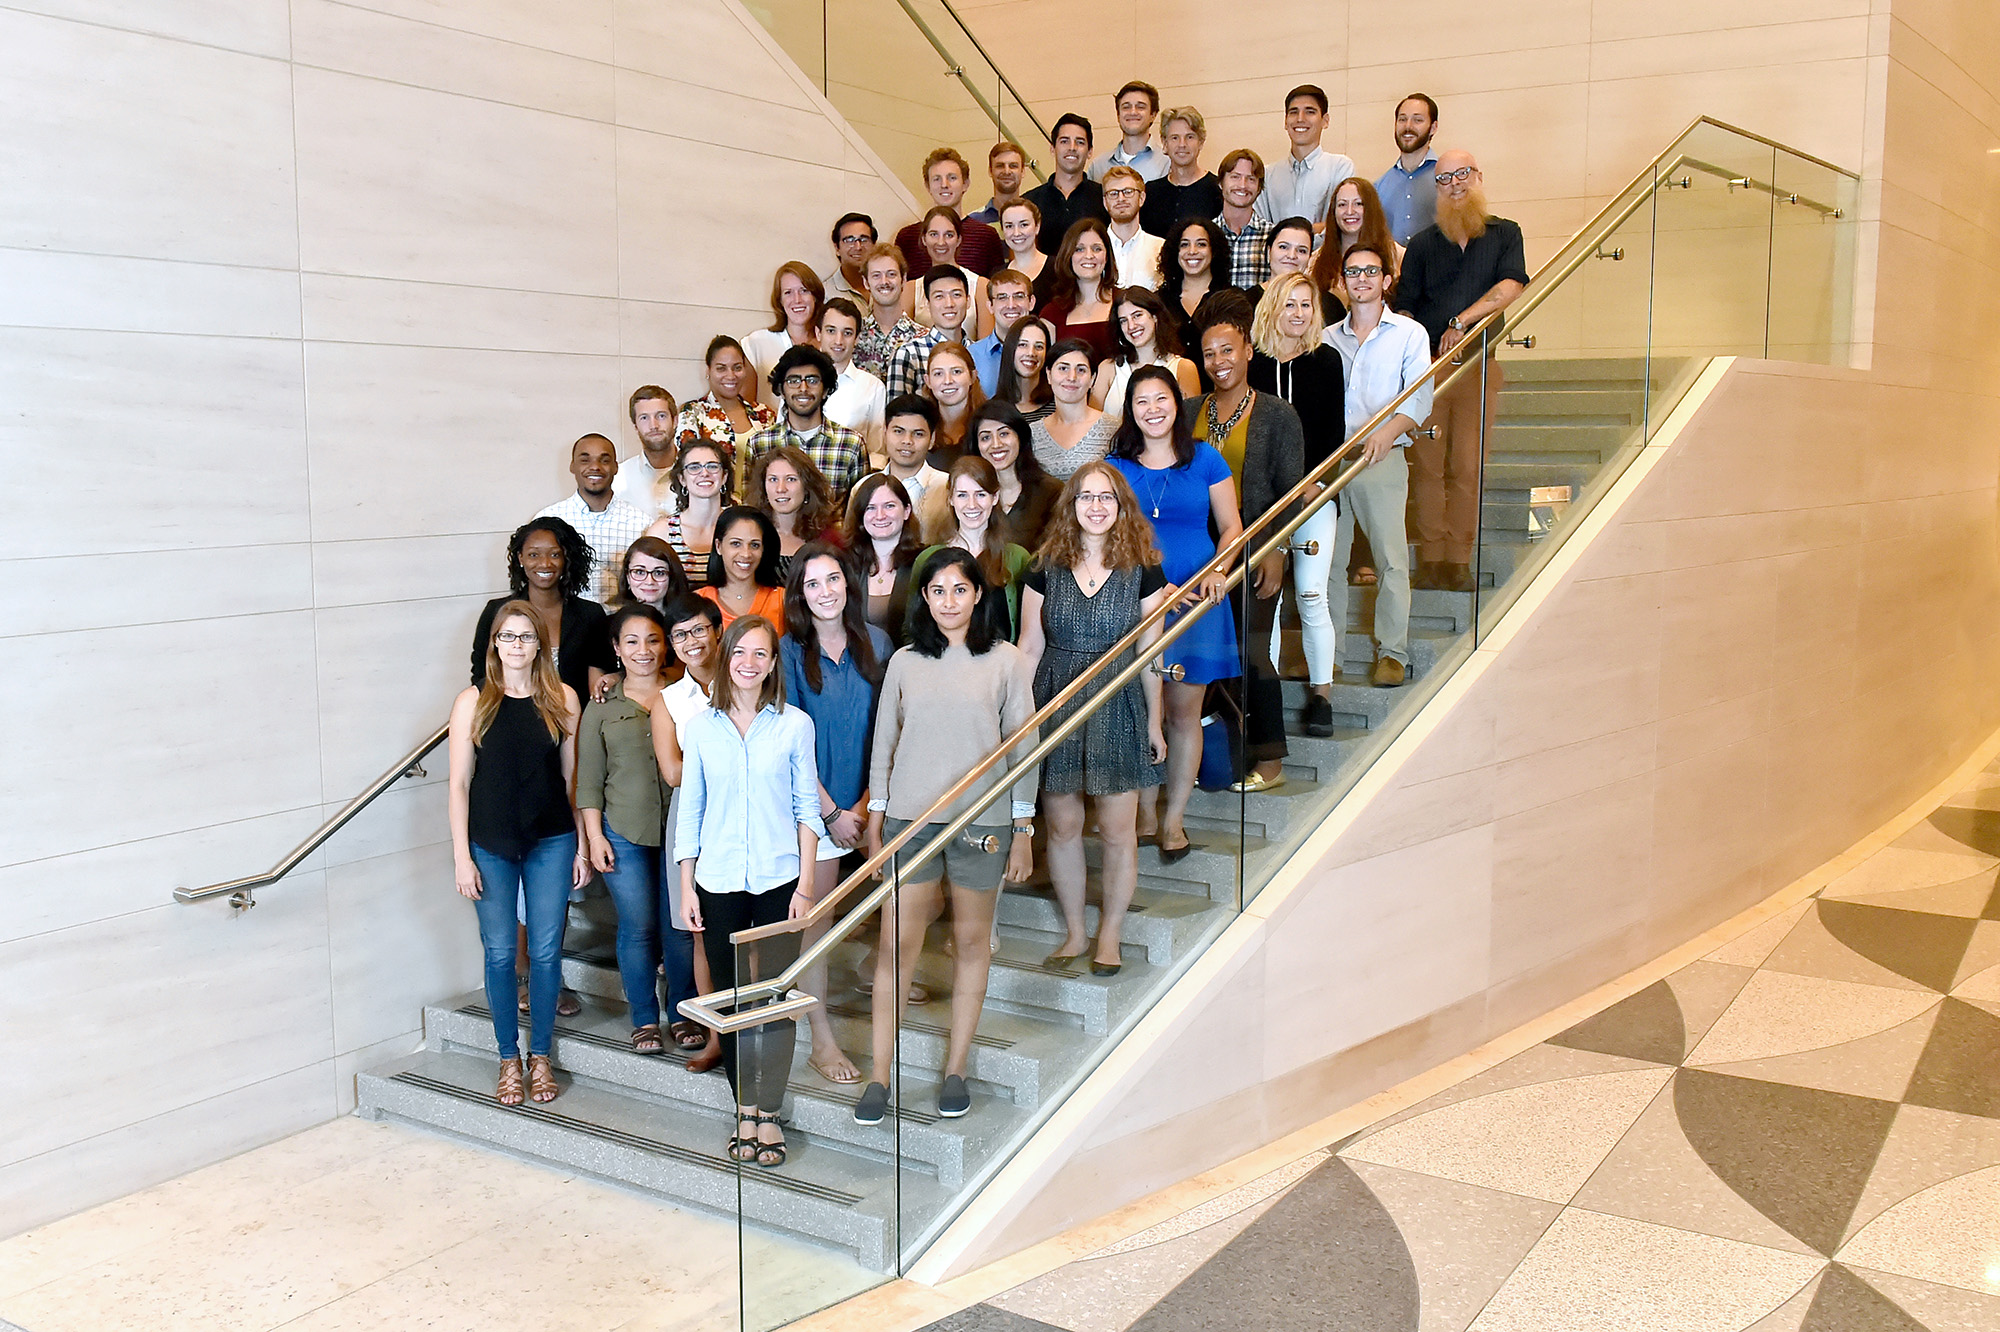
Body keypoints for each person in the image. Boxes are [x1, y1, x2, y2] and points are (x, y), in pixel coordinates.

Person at [853, 549, 1038, 1125]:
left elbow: (1022, 748)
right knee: (895, 947)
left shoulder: (1006, 662)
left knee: (971, 942)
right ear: (923, 600)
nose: (949, 601)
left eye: (960, 590)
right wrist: (878, 815)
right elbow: (884, 742)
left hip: (982, 822)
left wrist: (1023, 825)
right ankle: (880, 1075)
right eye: (937, 591)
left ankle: (955, 1068)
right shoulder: (906, 662)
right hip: (912, 819)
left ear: (978, 595)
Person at [675, 615, 824, 1168]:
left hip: (779, 878)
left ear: (772, 664)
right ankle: (744, 1109)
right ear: (725, 657)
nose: (749, 663)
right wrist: (686, 886)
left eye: (761, 654)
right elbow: (690, 811)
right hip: (715, 881)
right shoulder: (701, 728)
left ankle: (770, 1113)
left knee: (776, 1001)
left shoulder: (794, 725)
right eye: (741, 652)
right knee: (733, 1002)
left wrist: (807, 883)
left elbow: (806, 807)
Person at [1018, 463, 1171, 974]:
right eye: (1086, 497)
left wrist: (1154, 722)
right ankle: (1075, 933)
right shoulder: (1044, 565)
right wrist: (1019, 720)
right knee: (1061, 826)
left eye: (1107, 498)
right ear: (1072, 506)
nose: (1097, 506)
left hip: (1119, 698)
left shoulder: (1144, 567)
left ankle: (1110, 934)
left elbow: (1151, 653)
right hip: (1056, 698)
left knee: (1116, 830)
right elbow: (1029, 647)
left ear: (1121, 505)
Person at [448, 602, 586, 1106]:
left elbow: (572, 780)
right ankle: (509, 1058)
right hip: (490, 844)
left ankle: (541, 1055)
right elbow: (460, 785)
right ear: (494, 644)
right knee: (502, 953)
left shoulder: (563, 698)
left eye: (526, 637)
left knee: (547, 953)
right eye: (507, 637)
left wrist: (582, 846)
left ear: (539, 645)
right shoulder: (473, 702)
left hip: (552, 839)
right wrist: (462, 857)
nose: (517, 646)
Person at [1105, 367, 1241, 861]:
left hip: (1197, 602)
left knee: (1185, 714)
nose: (1152, 410)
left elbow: (1231, 526)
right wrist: (1151, 583)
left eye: (1160, 399)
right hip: (1138, 597)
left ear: (1176, 403)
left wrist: (1218, 568)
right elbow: (1103, 532)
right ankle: (1142, 807)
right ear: (1131, 410)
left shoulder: (1205, 458)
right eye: (1141, 402)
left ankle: (1174, 818)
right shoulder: (1116, 465)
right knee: (1142, 709)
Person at [780, 543, 893, 1084]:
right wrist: (831, 813)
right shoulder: (787, 651)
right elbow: (789, 743)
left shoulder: (879, 643)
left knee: (900, 903)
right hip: (812, 810)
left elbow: (890, 732)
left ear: (848, 585)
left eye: (832, 580)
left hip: (871, 802)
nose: (825, 592)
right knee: (816, 930)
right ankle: (820, 1041)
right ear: (800, 594)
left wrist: (865, 806)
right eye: (812, 583)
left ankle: (884, 980)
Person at [1394, 149, 1529, 592]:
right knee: (1428, 468)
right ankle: (1430, 558)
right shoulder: (1422, 244)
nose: (1455, 184)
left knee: (1467, 467)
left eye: (1462, 174)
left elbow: (1510, 286)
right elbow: (1406, 306)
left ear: (1479, 177)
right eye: (1445, 177)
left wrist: (1461, 322)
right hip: (1430, 370)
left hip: (1476, 365)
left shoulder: (1505, 234)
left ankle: (1457, 560)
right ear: (1437, 188)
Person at [1192, 296, 1304, 794]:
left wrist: (1277, 551)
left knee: (1250, 652)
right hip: (1199, 555)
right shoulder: (1189, 411)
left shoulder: (1278, 415)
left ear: (1248, 350)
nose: (1219, 361)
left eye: (1227, 350)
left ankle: (1270, 758)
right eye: (1209, 353)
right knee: (1206, 656)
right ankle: (1221, 758)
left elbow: (1291, 491)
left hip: (1255, 551)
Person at [1328, 244, 1431, 688]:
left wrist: (1387, 433)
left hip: (1383, 457)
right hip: (1333, 462)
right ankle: (1326, 656)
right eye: (1353, 272)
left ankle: (1392, 652)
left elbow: (1419, 398)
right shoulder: (1327, 337)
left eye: (1371, 271)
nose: (1362, 279)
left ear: (1387, 280)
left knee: (1390, 559)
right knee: (1327, 564)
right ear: (1342, 281)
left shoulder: (1409, 334)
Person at [1248, 272, 1347, 730]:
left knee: (1310, 593)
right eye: (1290, 304)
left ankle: (1321, 697)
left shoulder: (1326, 361)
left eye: (1306, 305)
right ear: (1273, 308)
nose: (1299, 313)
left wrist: (1311, 484)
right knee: (1266, 595)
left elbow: (1332, 434)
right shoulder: (1255, 363)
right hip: (1265, 500)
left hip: (1313, 495)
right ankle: (1262, 698)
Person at [578, 604, 678, 1054]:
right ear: (616, 649)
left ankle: (682, 1013)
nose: (644, 650)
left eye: (653, 640)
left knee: (678, 927)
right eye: (632, 641)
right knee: (637, 927)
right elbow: (588, 779)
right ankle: (644, 1018)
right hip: (623, 831)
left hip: (683, 831)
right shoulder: (601, 706)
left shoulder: (685, 693)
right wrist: (594, 836)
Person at [649, 596, 726, 1064]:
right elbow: (673, 773)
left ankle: (755, 1030)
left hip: (747, 810)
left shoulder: (743, 677)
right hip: (695, 815)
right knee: (701, 931)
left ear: (717, 630)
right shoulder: (671, 700)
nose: (691, 642)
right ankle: (715, 1036)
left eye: (698, 630)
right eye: (680, 635)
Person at [472, 518, 615, 715]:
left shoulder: (590, 615)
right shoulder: (497, 612)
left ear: (566, 559)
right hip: (510, 721)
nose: (545, 563)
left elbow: (599, 684)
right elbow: (482, 675)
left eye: (555, 554)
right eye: (533, 555)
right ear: (521, 558)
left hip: (574, 723)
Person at [914, 454, 1034, 641]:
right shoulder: (928, 557)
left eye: (980, 494)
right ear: (951, 499)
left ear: (995, 497)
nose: (972, 505)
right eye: (962, 495)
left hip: (1001, 666)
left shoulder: (1017, 557)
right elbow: (911, 627)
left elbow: (1027, 631)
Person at [743, 344, 867, 508]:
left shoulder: (851, 444)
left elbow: (859, 512)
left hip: (831, 533)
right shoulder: (759, 444)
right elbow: (750, 509)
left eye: (812, 380)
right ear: (781, 389)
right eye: (793, 381)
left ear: (825, 390)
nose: (803, 388)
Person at [537, 434, 651, 604]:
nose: (595, 467)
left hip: (622, 623)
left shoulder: (641, 523)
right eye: (585, 460)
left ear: (615, 467)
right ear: (572, 466)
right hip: (566, 623)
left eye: (604, 461)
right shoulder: (548, 521)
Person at [1254, 84, 1355, 232]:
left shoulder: (1340, 167)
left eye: (1310, 112)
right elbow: (1260, 230)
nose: (1300, 119)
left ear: (1325, 120)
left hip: (1327, 255)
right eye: (1294, 112)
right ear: (1285, 121)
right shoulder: (1267, 174)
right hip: (1276, 255)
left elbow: (1341, 224)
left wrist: (1282, 232)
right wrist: (1317, 228)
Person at [678, 336, 777, 484]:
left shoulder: (764, 414)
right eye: (721, 368)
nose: (731, 376)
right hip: (715, 504)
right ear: (708, 371)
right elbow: (687, 467)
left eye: (737, 368)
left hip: (760, 505)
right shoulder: (693, 413)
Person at [967, 399, 1062, 551]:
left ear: (1020, 436)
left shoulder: (1050, 492)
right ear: (976, 446)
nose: (996, 444)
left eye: (1004, 434)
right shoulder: (966, 494)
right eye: (986, 437)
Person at [894, 148, 1003, 279]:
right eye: (937, 179)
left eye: (952, 178)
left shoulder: (987, 237)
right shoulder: (907, 238)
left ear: (965, 184)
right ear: (928, 186)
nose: (944, 185)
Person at [844, 472, 924, 643]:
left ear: (906, 511)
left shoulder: (924, 562)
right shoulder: (845, 564)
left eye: (889, 506)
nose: (880, 516)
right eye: (870, 508)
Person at [1312, 175, 1403, 324]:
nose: (1349, 211)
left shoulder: (1397, 255)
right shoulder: (1315, 261)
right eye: (1342, 205)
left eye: (1358, 204)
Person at [1096, 286, 1200, 411]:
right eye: (1123, 321)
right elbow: (1091, 425)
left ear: (1155, 316)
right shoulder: (1107, 368)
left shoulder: (1184, 368)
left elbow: (1189, 424)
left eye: (1137, 315)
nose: (1131, 326)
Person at [646, 441, 731, 591]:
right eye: (694, 467)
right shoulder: (662, 533)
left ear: (724, 476)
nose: (704, 473)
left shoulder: (740, 526)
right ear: (682, 479)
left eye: (712, 466)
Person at [1023, 114, 1109, 258]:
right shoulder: (1030, 202)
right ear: (1052, 148)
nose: (1072, 148)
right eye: (1064, 141)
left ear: (1090, 151)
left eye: (1080, 142)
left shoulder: (1104, 198)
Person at [1031, 338, 1118, 479]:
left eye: (1081, 370)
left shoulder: (1113, 429)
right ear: (1048, 375)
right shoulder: (1032, 434)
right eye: (1063, 368)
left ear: (1092, 379)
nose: (1072, 377)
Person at [746, 444, 836, 581]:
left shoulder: (829, 540)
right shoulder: (749, 533)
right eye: (773, 479)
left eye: (791, 479)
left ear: (807, 486)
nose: (780, 488)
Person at [886, 264, 973, 399]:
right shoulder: (909, 353)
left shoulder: (977, 351)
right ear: (928, 304)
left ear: (968, 301)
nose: (949, 304)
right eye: (939, 296)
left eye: (956, 295)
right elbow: (896, 415)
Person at [1158, 215, 1233, 371]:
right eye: (1184, 245)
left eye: (1201, 244)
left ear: (1214, 250)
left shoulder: (1232, 300)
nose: (1192, 251)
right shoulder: (1159, 300)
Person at [818, 297, 887, 465]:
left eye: (847, 333)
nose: (838, 341)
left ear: (856, 339)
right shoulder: (796, 381)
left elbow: (877, 452)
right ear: (818, 333)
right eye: (831, 331)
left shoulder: (873, 387)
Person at [1041, 218, 1119, 365]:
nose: (1089, 255)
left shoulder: (1125, 303)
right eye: (1079, 249)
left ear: (1107, 256)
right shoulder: (1051, 314)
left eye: (1097, 248)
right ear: (1068, 255)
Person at [698, 506, 787, 633]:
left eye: (754, 545)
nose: (746, 554)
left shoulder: (783, 600)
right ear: (718, 546)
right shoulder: (699, 601)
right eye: (736, 544)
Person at [1142, 106, 1224, 237]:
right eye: (1175, 138)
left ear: (1201, 142)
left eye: (1190, 137)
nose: (1182, 144)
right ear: (1165, 143)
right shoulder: (1150, 193)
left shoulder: (1217, 190)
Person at [910, 207, 993, 337]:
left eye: (949, 235)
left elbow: (985, 347)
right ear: (924, 239)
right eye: (934, 234)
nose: (941, 242)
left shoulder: (981, 287)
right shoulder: (911, 290)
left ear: (959, 239)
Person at [742, 261, 823, 391]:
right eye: (788, 292)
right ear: (779, 300)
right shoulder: (757, 343)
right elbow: (745, 405)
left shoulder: (830, 344)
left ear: (815, 296)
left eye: (804, 290)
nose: (797, 299)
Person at [1374, 94, 1441, 245]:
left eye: (1418, 120)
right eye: (1402, 119)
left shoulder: (1447, 179)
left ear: (1433, 127)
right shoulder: (1379, 187)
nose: (1408, 126)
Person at [854, 243, 926, 383]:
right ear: (866, 282)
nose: (884, 282)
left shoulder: (922, 338)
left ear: (903, 279)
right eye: (876, 276)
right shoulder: (852, 335)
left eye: (891, 274)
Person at [870, 394, 948, 511]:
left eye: (918, 434)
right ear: (884, 433)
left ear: (932, 439)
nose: (907, 441)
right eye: (898, 431)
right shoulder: (865, 487)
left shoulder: (948, 487)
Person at [612, 385, 680, 521]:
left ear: (675, 421)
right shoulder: (618, 479)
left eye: (661, 416)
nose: (653, 425)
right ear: (635, 427)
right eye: (644, 418)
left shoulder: (699, 474)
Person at [968, 268, 1035, 397]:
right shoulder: (972, 356)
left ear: (1031, 302)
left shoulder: (1044, 352)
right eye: (1002, 297)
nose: (1011, 305)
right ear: (990, 306)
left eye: (1019, 296)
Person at [1214, 149, 1274, 290]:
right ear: (1221, 182)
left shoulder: (1273, 237)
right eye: (1235, 177)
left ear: (1259, 188)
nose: (1242, 185)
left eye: (1251, 179)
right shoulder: (1204, 235)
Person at [923, 339, 987, 466]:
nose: (948, 381)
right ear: (928, 381)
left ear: (972, 376)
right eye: (938, 374)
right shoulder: (920, 426)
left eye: (956, 371)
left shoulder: (990, 423)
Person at [1088, 80, 1167, 182]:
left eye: (1140, 107)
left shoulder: (1167, 163)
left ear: (1153, 115)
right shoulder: (1098, 167)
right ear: (1118, 115)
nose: (1133, 112)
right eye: (1126, 107)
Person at [1101, 165, 1163, 293]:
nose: (1121, 198)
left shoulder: (1160, 248)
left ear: (1141, 198)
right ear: (1105, 202)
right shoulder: (1091, 250)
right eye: (1113, 193)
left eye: (1128, 191)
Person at [1240, 216, 1320, 315]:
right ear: (1269, 252)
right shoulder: (1245, 303)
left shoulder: (1324, 303)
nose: (1291, 256)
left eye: (1301, 250)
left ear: (1309, 257)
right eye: (1283, 247)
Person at [996, 317, 1056, 423]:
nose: (1031, 353)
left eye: (1039, 347)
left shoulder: (1058, 405)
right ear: (1010, 349)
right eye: (1023, 345)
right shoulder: (993, 410)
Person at [612, 534, 690, 614]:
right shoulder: (612, 623)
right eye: (640, 572)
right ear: (627, 576)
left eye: (659, 573)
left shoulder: (689, 622)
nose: (650, 582)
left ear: (672, 576)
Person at [968, 141, 1028, 225]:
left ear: (1023, 171)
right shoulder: (974, 221)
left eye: (1013, 166)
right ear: (990, 171)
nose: (1007, 171)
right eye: (1000, 166)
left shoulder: (1035, 218)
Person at [822, 212, 876, 301]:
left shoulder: (885, 285)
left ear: (874, 245)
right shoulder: (826, 294)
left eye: (864, 239)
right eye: (849, 240)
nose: (858, 247)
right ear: (837, 248)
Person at [997, 198, 1049, 291]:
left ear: (1037, 226)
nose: (1016, 233)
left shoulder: (1058, 270)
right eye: (1009, 226)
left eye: (1024, 225)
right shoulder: (996, 275)